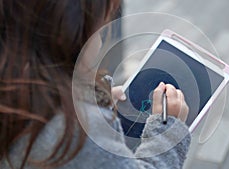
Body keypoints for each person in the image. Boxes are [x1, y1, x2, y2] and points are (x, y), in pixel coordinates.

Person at [0, 0, 191, 169]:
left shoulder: (15, 95)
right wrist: (167, 129)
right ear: (70, 39)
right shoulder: (78, 133)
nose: (100, 41)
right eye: (99, 30)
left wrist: (95, 100)